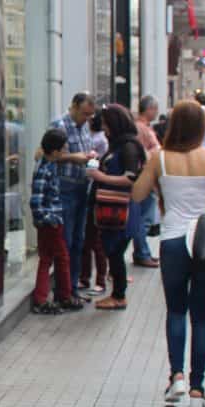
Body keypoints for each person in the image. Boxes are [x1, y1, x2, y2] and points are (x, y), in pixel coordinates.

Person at [130, 100, 205, 407]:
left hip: (173, 239)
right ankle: (197, 386)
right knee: (201, 315)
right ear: (202, 127)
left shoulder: (159, 159)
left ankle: (175, 376)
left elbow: (137, 195)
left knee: (176, 310)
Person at [86, 104, 147, 310]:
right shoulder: (121, 144)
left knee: (115, 251)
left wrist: (101, 176)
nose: (103, 128)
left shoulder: (127, 146)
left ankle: (119, 295)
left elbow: (131, 177)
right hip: (114, 207)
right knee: (113, 251)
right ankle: (118, 293)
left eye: (106, 123)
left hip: (120, 208)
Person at [50, 92, 98, 305]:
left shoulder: (85, 126)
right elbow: (50, 154)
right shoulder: (59, 125)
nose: (86, 119)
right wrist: (74, 157)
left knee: (78, 241)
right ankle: (64, 291)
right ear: (75, 107)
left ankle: (73, 287)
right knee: (66, 241)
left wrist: (90, 156)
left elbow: (85, 150)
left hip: (82, 188)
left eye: (90, 116)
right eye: (84, 114)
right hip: (65, 188)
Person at [29, 128, 80, 314]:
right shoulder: (45, 169)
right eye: (63, 149)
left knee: (47, 258)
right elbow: (36, 198)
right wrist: (47, 219)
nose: (65, 153)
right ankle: (62, 296)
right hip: (51, 221)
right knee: (61, 257)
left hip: (50, 220)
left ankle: (42, 298)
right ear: (56, 151)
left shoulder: (46, 165)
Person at [80, 112, 110, 292]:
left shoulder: (102, 141)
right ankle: (88, 278)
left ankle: (98, 280)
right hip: (92, 193)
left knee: (96, 242)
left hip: (100, 195)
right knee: (89, 240)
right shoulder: (98, 139)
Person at [132, 95, 162, 266]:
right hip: (145, 175)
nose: (156, 112)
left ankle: (143, 252)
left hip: (148, 175)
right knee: (144, 218)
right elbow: (142, 152)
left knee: (145, 218)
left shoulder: (145, 128)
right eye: (155, 109)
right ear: (149, 109)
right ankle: (142, 253)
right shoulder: (140, 128)